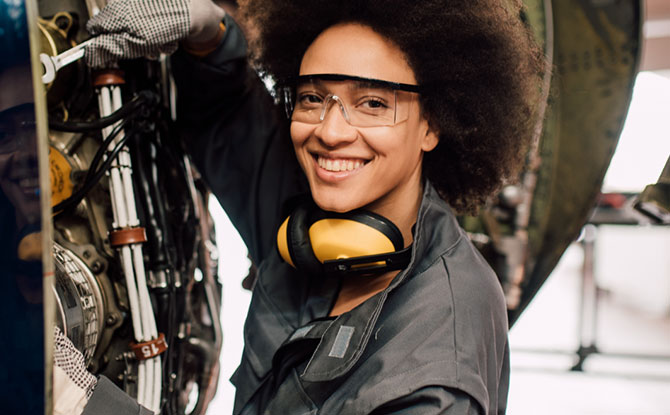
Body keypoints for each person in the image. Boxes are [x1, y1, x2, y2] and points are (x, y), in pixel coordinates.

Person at [66, 0, 543, 413]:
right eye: (313, 97)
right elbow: (231, 118)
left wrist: (79, 402)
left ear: (432, 125)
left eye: (373, 103)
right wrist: (209, 34)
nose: (331, 132)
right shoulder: (317, 223)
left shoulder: (437, 365)